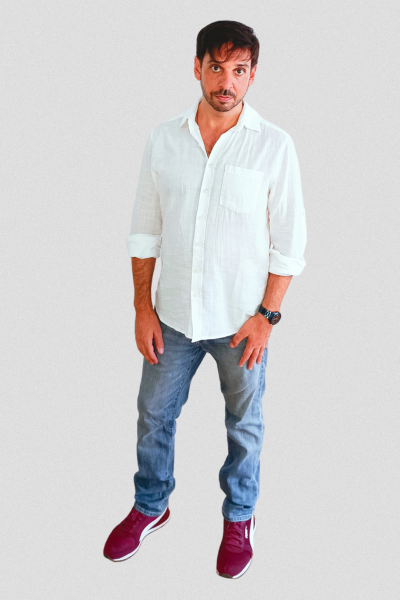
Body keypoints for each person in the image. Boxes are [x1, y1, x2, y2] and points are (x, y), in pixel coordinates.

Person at [103, 20, 307, 579]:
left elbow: (290, 244)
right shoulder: (163, 139)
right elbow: (144, 231)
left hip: (242, 323)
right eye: (216, 67)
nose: (226, 81)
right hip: (172, 318)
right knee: (153, 415)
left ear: (252, 75)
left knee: (244, 424)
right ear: (197, 68)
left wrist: (267, 317)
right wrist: (142, 308)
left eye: (239, 70)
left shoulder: (274, 146)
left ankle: (239, 516)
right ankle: (151, 504)